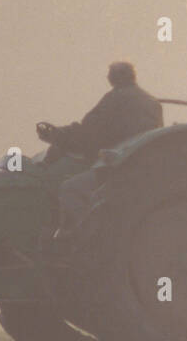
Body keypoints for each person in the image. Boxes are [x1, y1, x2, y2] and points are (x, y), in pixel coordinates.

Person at [41, 61, 163, 233]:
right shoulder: (150, 101)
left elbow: (90, 132)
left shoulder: (117, 98)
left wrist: (60, 137)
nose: (108, 77)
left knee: (69, 189)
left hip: (115, 167)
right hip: (136, 163)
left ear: (118, 77)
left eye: (110, 74)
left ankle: (76, 240)